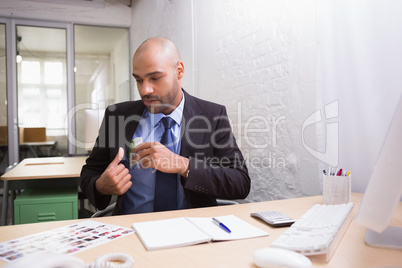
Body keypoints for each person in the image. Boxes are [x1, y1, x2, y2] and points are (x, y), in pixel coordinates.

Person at [80, 37, 250, 215]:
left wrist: (183, 165)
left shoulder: (212, 116)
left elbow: (240, 182)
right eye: (139, 80)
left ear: (179, 71)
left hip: (193, 229)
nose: (145, 90)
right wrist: (100, 186)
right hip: (131, 228)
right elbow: (90, 172)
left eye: (155, 78)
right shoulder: (118, 116)